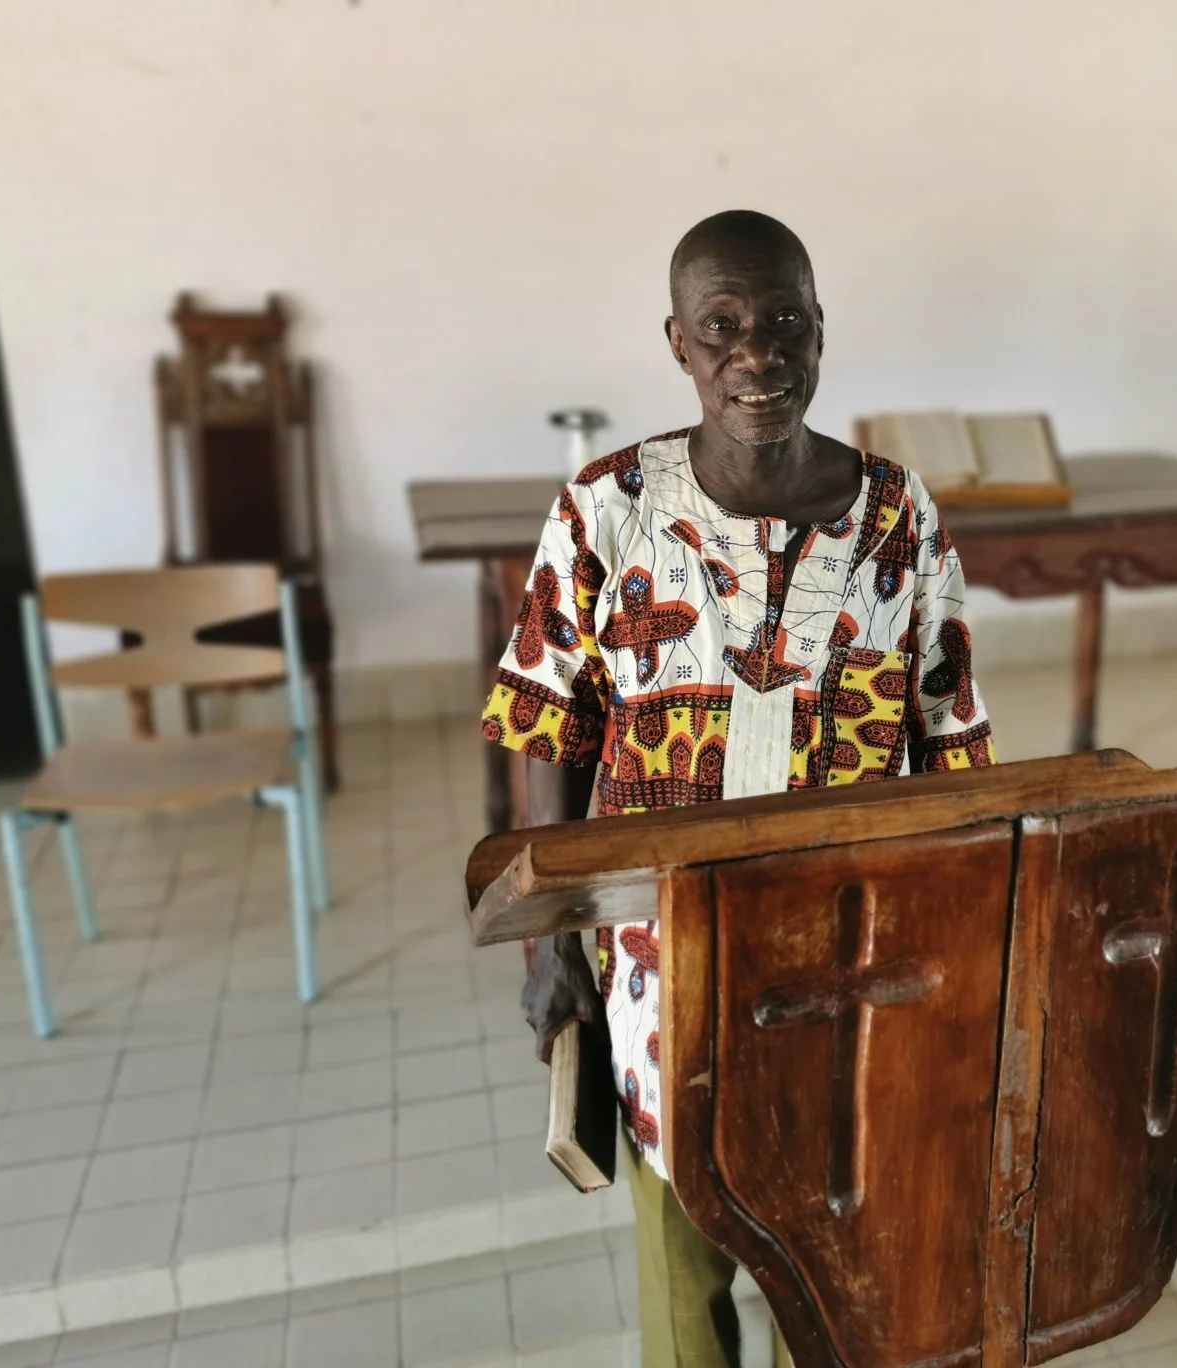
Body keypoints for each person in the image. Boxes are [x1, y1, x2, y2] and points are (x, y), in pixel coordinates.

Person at [480, 209, 997, 1368]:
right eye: (722, 327)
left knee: (842, 1256)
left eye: (783, 322)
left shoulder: (897, 516)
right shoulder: (607, 509)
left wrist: (971, 928)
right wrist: (549, 941)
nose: (756, 355)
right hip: (664, 959)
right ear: (678, 343)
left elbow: (950, 733)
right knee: (686, 1264)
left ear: (819, 331)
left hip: (854, 948)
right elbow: (548, 727)